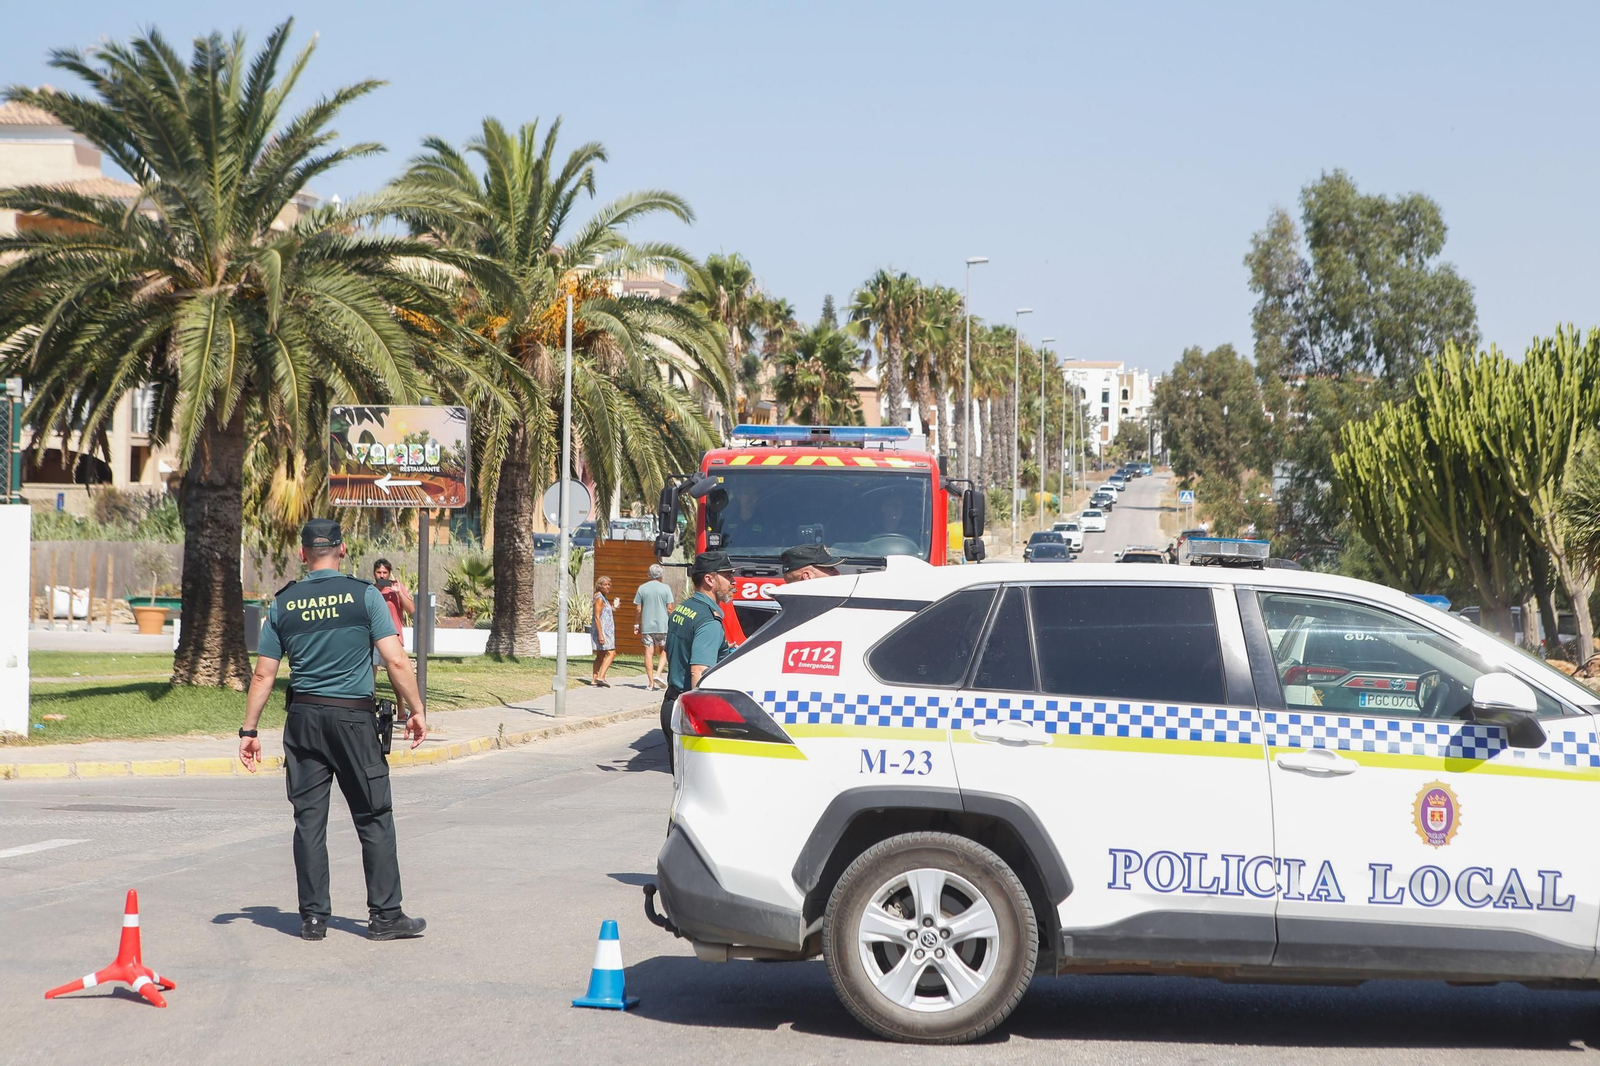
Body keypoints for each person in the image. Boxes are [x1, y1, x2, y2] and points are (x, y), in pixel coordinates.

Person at [237, 519, 428, 943]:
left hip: (303, 719)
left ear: (302, 554)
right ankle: (385, 916)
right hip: (353, 720)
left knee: (309, 821)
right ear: (342, 550)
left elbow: (263, 675)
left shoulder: (283, 604)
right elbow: (396, 660)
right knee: (374, 816)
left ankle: (313, 919)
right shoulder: (365, 596)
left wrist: (248, 730)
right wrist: (415, 710)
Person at [661, 551, 735, 770]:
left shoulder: (684, 609)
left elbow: (680, 649)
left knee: (682, 782)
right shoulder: (709, 621)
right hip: (690, 711)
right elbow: (698, 672)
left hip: (671, 703)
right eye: (727, 575)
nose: (733, 581)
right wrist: (700, 723)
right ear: (709, 579)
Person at [371, 558, 414, 681]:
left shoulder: (396, 588)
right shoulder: (370, 589)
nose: (382, 576)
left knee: (395, 676)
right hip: (373, 638)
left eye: (385, 572)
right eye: (379, 572)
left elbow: (411, 610)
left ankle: (400, 696)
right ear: (374, 573)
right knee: (370, 675)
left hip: (393, 636)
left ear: (389, 573)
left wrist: (399, 593)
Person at [632, 565, 675, 690]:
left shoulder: (642, 588)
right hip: (663, 625)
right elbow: (670, 608)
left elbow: (638, 609)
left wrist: (636, 623)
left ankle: (651, 683)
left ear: (649, 574)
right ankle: (658, 673)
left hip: (647, 625)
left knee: (648, 652)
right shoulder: (666, 588)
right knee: (665, 650)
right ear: (660, 575)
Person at [591, 575, 618, 687]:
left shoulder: (603, 597)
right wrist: (600, 635)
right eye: (605, 585)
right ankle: (601, 676)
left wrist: (613, 608)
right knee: (612, 653)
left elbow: (604, 613)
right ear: (599, 585)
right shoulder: (599, 598)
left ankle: (594, 679)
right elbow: (597, 617)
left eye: (609, 585)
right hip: (603, 631)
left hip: (606, 630)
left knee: (601, 654)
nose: (607, 587)